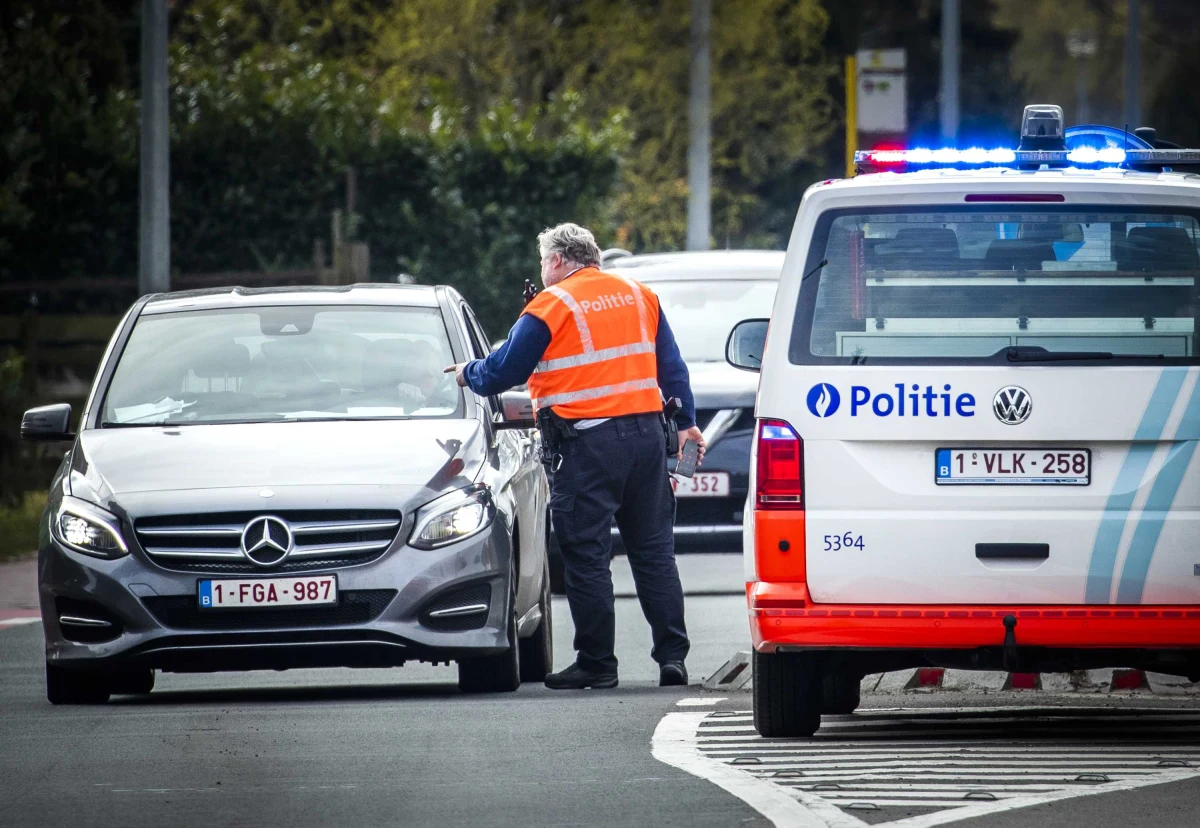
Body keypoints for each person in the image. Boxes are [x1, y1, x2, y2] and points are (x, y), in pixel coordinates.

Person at [446, 223, 705, 689]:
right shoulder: (639, 294)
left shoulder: (552, 304)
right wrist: (685, 422)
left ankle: (597, 663)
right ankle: (673, 658)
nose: (542, 271)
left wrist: (469, 373)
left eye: (544, 261)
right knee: (653, 553)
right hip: (648, 440)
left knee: (586, 554)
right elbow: (672, 367)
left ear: (561, 260)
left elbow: (506, 369)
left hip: (587, 446)